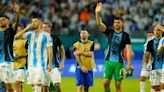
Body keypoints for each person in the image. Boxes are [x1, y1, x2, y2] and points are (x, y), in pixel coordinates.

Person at [95, 2, 133, 92]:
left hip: (119, 63)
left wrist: (129, 63)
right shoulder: (109, 32)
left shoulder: (126, 35)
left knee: (118, 85)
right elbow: (100, 24)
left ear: (122, 23)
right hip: (108, 62)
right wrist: (97, 13)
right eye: (115, 22)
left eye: (118, 22)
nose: (116, 24)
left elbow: (128, 50)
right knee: (105, 83)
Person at [15, 18, 53, 92]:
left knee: (37, 84)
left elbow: (50, 50)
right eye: (32, 21)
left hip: (41, 64)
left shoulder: (46, 35)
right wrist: (27, 28)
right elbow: (16, 36)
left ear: (40, 23)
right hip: (30, 65)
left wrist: (50, 63)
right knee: (33, 85)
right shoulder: (29, 34)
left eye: (35, 21)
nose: (33, 23)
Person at [0, 3, 20, 92]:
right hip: (0, 61)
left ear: (8, 22)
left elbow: (16, 23)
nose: (1, 21)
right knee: (1, 84)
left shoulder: (10, 31)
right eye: (0, 20)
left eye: (3, 20)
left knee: (8, 87)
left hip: (7, 61)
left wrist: (17, 14)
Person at [42, 22, 65, 92]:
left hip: (55, 66)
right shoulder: (39, 39)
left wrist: (62, 63)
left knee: (57, 85)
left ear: (50, 28)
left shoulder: (55, 38)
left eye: (45, 27)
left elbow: (62, 50)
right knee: (45, 88)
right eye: (42, 27)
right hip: (43, 66)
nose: (43, 29)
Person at [145, 24, 163, 92]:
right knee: (155, 87)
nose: (157, 31)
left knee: (162, 86)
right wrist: (148, 62)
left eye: (159, 30)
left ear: (161, 31)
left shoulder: (163, 40)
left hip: (163, 67)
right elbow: (148, 55)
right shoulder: (150, 42)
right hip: (154, 67)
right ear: (153, 31)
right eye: (155, 30)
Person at [13, 25, 27, 92]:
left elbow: (30, 53)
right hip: (13, 66)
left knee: (17, 83)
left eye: (20, 31)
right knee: (20, 86)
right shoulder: (12, 41)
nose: (18, 32)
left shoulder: (25, 41)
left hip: (22, 65)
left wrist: (20, 56)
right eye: (17, 31)